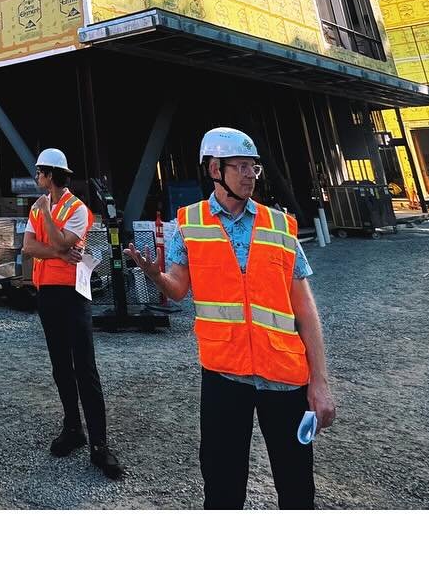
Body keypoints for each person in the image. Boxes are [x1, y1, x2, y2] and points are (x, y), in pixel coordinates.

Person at [127, 127, 337, 510]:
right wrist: (155, 275)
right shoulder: (189, 223)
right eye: (238, 166)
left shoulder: (279, 225)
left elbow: (305, 309)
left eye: (252, 167)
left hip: (283, 376)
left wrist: (319, 383)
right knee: (222, 489)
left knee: (297, 491)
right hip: (225, 376)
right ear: (214, 170)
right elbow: (178, 288)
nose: (248, 175)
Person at [21, 148, 124, 481]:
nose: (36, 177)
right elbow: (29, 247)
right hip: (48, 295)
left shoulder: (76, 210)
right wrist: (58, 250)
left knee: (85, 369)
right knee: (61, 366)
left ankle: (99, 445)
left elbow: (59, 240)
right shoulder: (39, 208)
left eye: (40, 172)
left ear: (50, 175)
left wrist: (48, 223)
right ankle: (73, 428)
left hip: (73, 296)